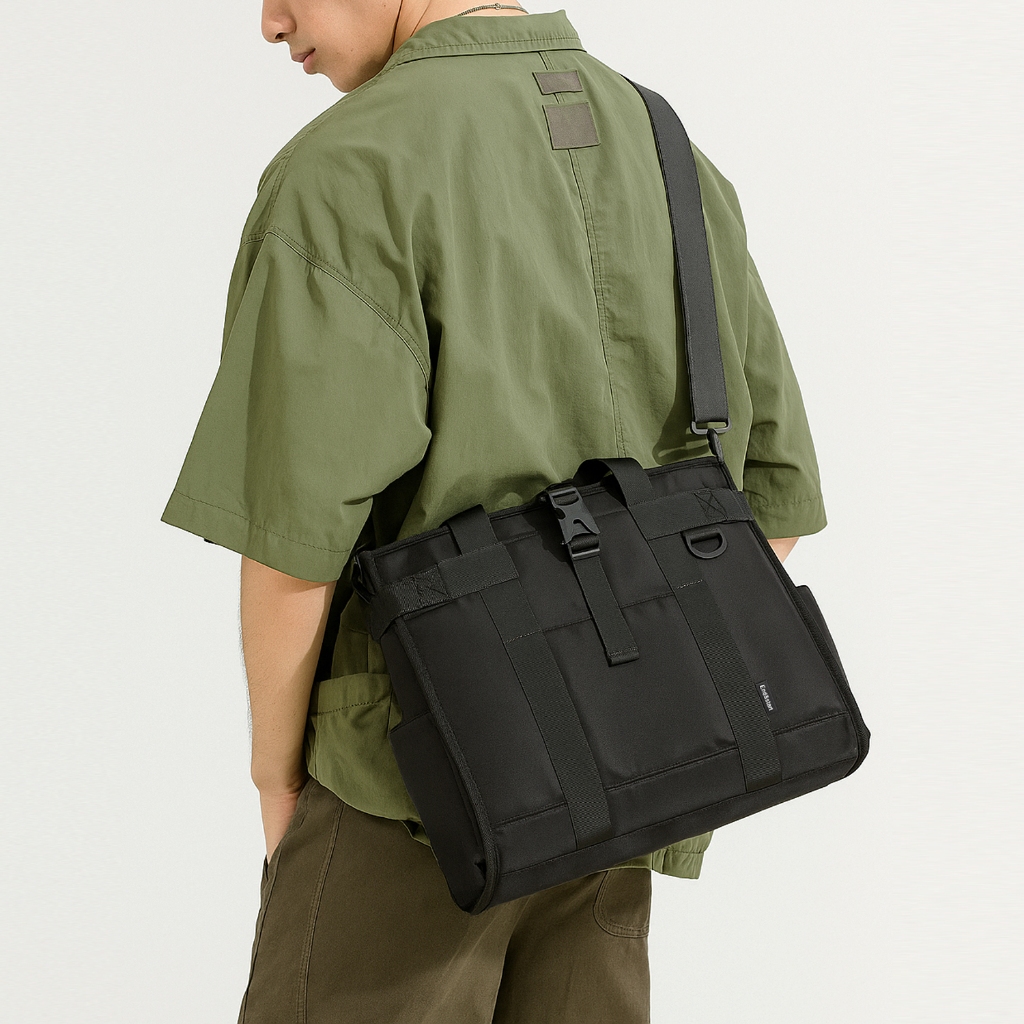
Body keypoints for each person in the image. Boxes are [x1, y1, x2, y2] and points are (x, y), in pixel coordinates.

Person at [160, 2, 827, 1021]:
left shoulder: (348, 170)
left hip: (407, 790)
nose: (269, 22)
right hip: (625, 798)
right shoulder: (670, 151)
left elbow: (293, 544)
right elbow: (770, 505)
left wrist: (276, 784)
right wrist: (622, 709)